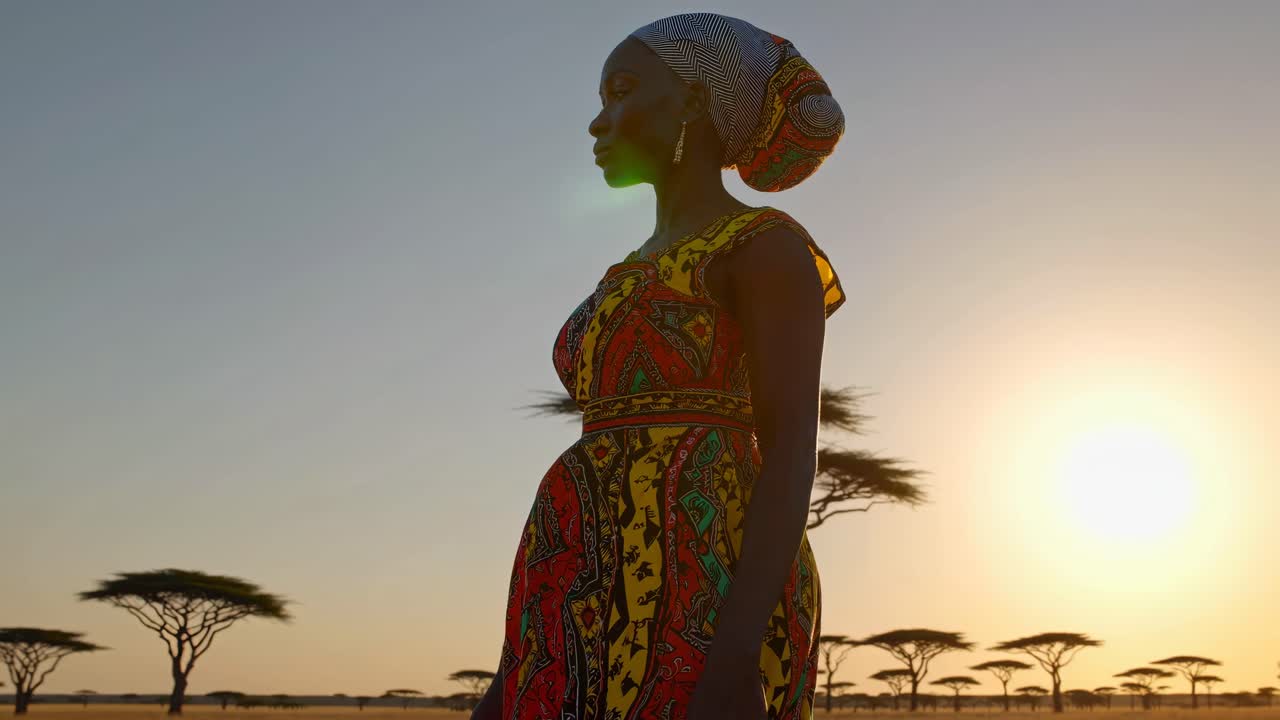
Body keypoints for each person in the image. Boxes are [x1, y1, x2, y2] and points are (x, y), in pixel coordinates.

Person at [472, 12, 847, 720]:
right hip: (574, 561)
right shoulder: (621, 274)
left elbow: (792, 446)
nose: (597, 122)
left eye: (621, 91)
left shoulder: (765, 247)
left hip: (703, 582)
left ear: (697, 102)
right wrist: (514, 668)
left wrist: (733, 657)